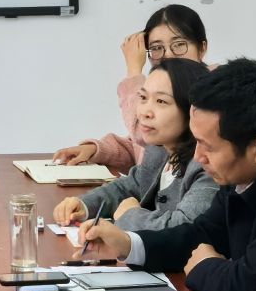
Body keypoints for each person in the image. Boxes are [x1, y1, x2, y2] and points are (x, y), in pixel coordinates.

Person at [77, 58, 256, 291]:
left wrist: (204, 266)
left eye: (209, 146)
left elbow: (253, 287)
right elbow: (201, 234)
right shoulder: (242, 167)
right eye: (196, 142)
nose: (198, 157)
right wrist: (128, 244)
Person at [51, 58, 216, 235]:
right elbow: (128, 186)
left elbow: (184, 227)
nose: (144, 112)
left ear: (192, 110)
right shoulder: (159, 149)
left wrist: (130, 215)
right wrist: (84, 205)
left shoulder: (207, 166)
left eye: (161, 101)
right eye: (143, 98)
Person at [51, 4, 207, 174]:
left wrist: (133, 71)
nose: (168, 55)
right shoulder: (161, 88)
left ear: (202, 49)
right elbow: (142, 150)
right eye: (156, 48)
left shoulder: (211, 94)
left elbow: (142, 137)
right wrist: (96, 150)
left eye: (178, 44)